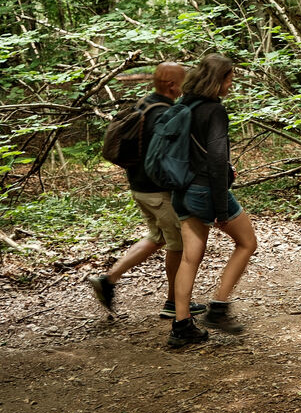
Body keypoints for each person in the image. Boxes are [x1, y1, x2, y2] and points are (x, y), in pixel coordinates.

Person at [88, 62, 208, 320]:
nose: (186, 86)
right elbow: (169, 159)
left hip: (140, 189)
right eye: (183, 82)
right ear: (172, 85)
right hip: (158, 192)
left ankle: (108, 280)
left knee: (157, 237)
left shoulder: (144, 104)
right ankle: (174, 302)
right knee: (179, 245)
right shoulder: (163, 114)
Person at [168, 53, 258, 348]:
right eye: (229, 79)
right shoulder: (214, 110)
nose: (231, 85)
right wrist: (220, 208)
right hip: (205, 190)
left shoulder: (184, 105)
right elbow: (217, 160)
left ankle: (181, 326)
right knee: (247, 243)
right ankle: (218, 308)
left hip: (182, 191)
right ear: (218, 80)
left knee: (190, 258)